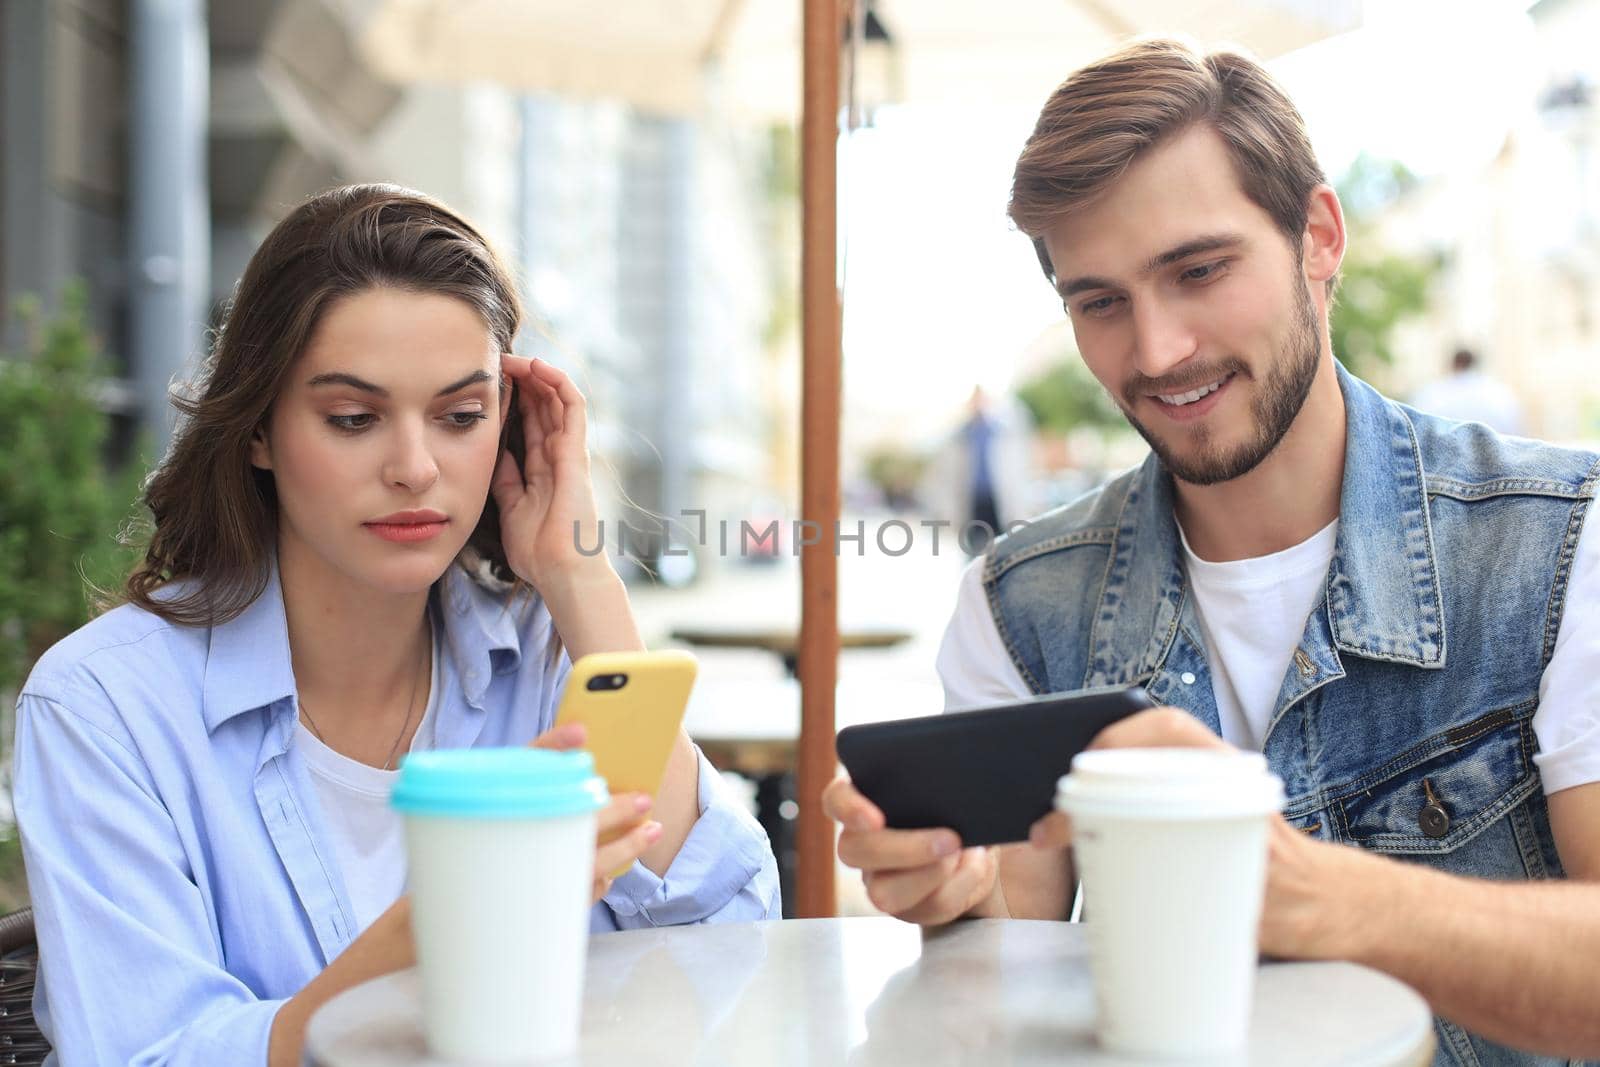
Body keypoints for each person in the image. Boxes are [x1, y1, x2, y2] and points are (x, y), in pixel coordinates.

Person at [825, 40, 1600, 1064]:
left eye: (1197, 270)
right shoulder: (1020, 606)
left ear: (1318, 236)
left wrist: (1316, 892)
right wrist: (952, 903)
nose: (1154, 351)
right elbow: (998, 997)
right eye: (1099, 301)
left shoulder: (1557, 539)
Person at [12, 184, 780, 1067]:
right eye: (353, 418)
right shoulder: (105, 706)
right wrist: (458, 914)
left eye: (461, 417)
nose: (416, 468)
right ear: (258, 428)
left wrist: (579, 576)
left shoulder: (541, 660)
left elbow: (731, 935)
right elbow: (148, 1054)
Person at [1411, 346, 1526, 435]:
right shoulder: (1500, 395)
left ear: (1454, 364)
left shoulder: (1431, 394)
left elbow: (1417, 429)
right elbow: (1515, 433)